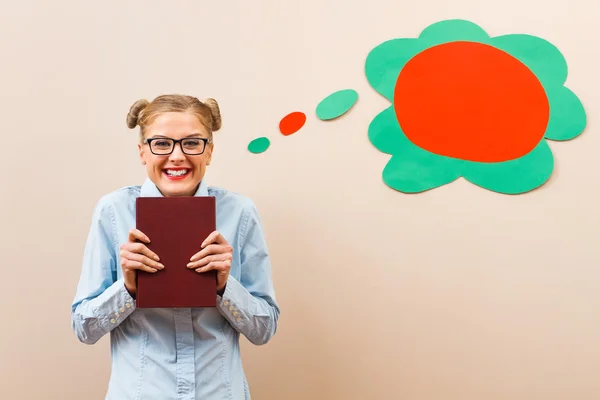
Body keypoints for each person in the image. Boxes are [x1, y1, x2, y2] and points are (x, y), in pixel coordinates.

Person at [71, 94, 280, 399]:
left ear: (209, 151)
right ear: (143, 152)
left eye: (192, 143)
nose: (177, 156)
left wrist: (224, 287)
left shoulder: (239, 213)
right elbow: (84, 328)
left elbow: (264, 330)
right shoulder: (113, 211)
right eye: (161, 143)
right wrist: (128, 288)